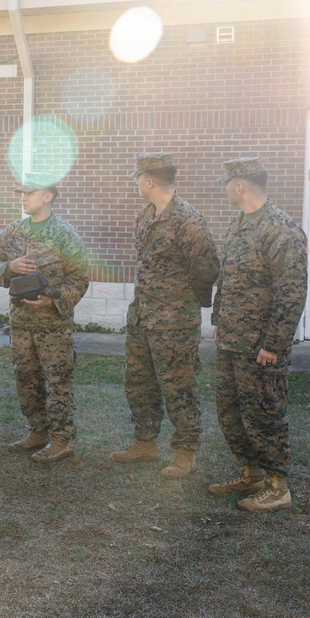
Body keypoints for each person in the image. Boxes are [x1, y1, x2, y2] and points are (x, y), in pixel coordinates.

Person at [110, 153, 220, 478]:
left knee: (178, 386)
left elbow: (208, 269)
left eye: (137, 177)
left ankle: (186, 450)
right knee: (139, 381)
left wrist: (184, 303)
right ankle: (145, 442)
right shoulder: (145, 215)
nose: (135, 183)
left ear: (149, 180)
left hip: (174, 323)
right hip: (142, 318)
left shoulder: (188, 220)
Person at [209, 157, 308, 511]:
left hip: (260, 347)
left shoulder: (279, 229)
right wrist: (219, 317)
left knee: (264, 413)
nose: (224, 189)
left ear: (239, 186)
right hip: (232, 341)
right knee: (231, 411)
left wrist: (273, 345)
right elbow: (228, 277)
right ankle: (250, 473)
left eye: (226, 183)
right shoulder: (239, 223)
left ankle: (278, 487)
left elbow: (291, 292)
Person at [0, 181, 89, 463]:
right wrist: (10, 267)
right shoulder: (13, 232)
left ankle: (61, 440)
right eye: (22, 193)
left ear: (48, 196)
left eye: (29, 193)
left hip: (53, 326)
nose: (23, 198)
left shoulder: (65, 234)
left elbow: (79, 279)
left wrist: (54, 299)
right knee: (26, 378)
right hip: (21, 324)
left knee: (58, 382)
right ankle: (38, 431)